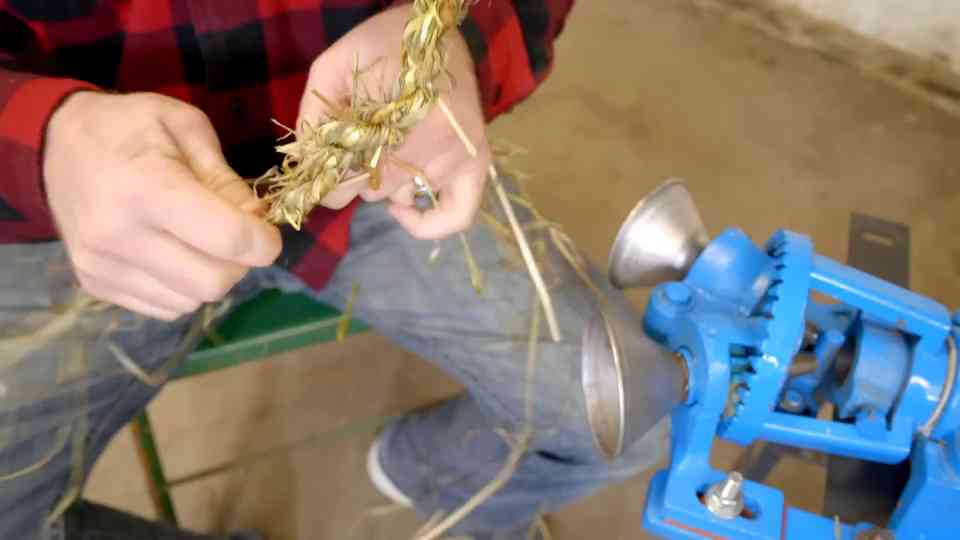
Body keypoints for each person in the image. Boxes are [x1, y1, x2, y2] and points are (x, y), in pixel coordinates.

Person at [0, 1, 667, 539]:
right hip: (72, 205)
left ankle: (437, 472)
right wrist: (45, 143)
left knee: (631, 414)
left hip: (378, 161)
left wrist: (453, 38)